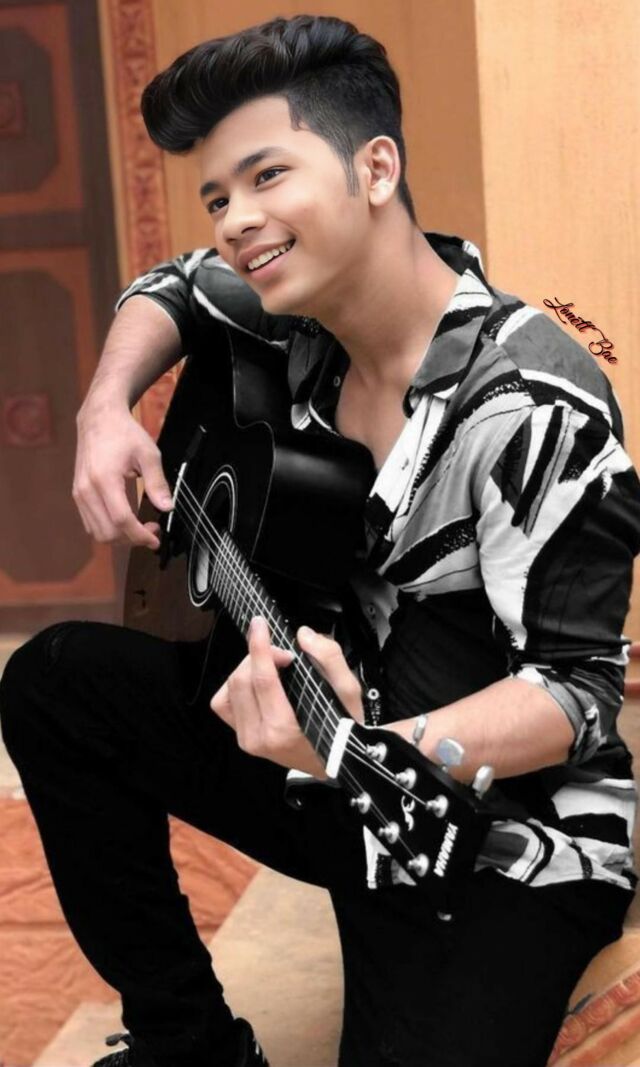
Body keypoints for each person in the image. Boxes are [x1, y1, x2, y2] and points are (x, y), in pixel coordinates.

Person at [1, 13, 640, 1067]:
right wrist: (105, 408)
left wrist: (360, 751)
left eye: (267, 176)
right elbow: (171, 287)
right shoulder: (290, 319)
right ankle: (187, 1043)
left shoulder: (533, 406)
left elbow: (575, 697)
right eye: (218, 197)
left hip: (492, 830)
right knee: (55, 682)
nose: (235, 221)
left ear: (375, 168)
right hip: (317, 752)